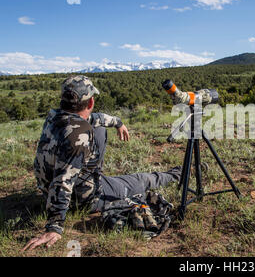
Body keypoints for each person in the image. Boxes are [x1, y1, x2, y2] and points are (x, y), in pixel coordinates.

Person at [23, 75, 181, 251]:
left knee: (98, 129)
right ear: (90, 102)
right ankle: (178, 173)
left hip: (50, 192)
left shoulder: (55, 117)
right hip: (82, 199)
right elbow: (63, 181)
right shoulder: (79, 135)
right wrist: (55, 226)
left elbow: (94, 118)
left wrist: (118, 123)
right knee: (141, 180)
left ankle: (95, 177)